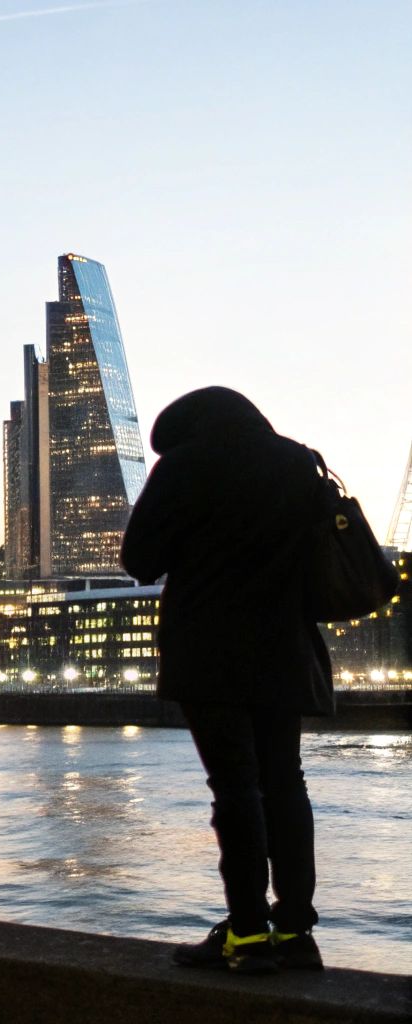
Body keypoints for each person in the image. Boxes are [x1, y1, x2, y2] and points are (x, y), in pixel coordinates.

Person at [119, 386, 330, 976]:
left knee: (235, 790)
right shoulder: (297, 461)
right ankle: (295, 931)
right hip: (285, 651)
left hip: (210, 652)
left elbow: (139, 560)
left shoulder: (185, 466)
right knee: (285, 785)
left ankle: (245, 932)